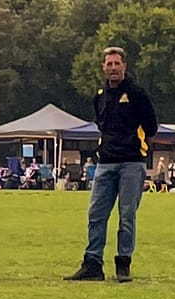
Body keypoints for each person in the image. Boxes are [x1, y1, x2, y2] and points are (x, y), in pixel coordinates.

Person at [64, 46, 158, 283]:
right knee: (96, 214)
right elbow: (101, 125)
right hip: (105, 163)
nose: (113, 68)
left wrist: (134, 144)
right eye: (109, 64)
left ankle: (123, 264)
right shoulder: (100, 96)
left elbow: (151, 126)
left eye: (117, 64)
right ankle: (92, 264)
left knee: (127, 216)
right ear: (103, 67)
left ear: (124, 66)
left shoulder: (136, 93)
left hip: (131, 162)